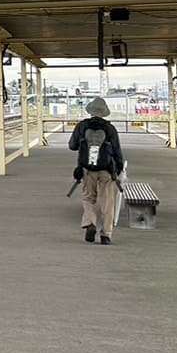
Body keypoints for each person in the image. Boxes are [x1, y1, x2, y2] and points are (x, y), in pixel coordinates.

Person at [68, 96, 123, 245]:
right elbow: (117, 151)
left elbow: (72, 146)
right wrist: (118, 169)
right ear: (104, 112)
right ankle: (106, 235)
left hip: (87, 169)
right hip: (106, 170)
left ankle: (90, 223)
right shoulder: (110, 128)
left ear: (90, 111)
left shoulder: (82, 126)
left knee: (88, 198)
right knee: (107, 203)